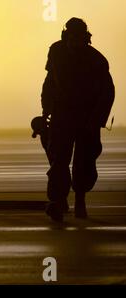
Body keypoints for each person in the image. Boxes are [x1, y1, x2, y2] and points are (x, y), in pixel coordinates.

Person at [40, 18, 115, 222]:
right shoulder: (56, 52)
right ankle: (57, 200)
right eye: (70, 36)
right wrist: (46, 110)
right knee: (58, 161)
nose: (74, 41)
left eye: (78, 37)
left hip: (86, 119)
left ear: (85, 38)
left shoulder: (97, 60)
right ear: (66, 36)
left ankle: (80, 199)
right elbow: (49, 83)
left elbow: (107, 93)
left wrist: (96, 120)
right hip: (62, 116)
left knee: (85, 162)